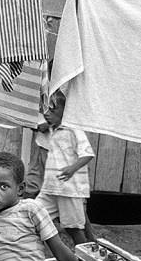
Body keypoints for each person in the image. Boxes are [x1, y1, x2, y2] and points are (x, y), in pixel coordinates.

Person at [35, 89, 97, 244]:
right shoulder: (53, 129)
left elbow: (87, 153)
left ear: (66, 111)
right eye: (46, 110)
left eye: (53, 109)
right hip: (50, 187)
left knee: (73, 228)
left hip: (68, 189)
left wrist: (71, 169)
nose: (47, 114)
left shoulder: (74, 129)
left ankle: (85, 260)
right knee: (33, 215)